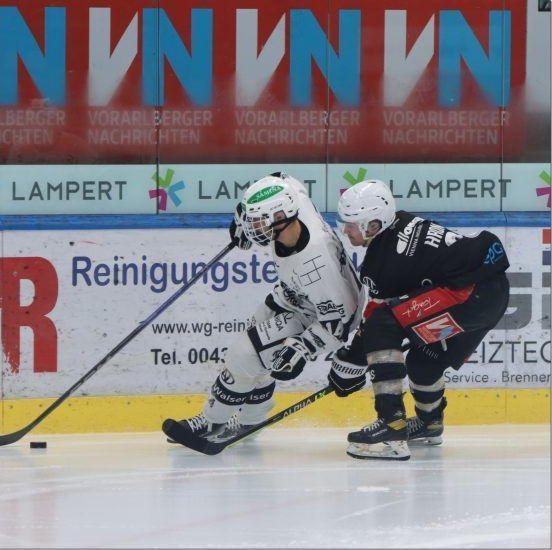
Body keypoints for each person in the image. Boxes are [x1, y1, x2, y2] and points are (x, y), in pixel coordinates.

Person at [164, 172, 364, 445]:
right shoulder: (295, 203)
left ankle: (213, 421)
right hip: (293, 297)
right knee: (257, 355)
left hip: (317, 317)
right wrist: (239, 217)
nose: (252, 227)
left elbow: (341, 321)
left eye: (257, 221)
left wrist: (303, 348)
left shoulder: (316, 262)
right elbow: (281, 177)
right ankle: (250, 421)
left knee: (244, 354)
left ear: (280, 218)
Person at [329, 180, 510, 461]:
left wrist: (351, 361)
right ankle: (430, 422)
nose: (345, 230)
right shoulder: (401, 220)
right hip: (491, 295)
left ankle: (392, 424)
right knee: (425, 359)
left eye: (352, 224)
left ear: (373, 225)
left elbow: (376, 322)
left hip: (467, 296)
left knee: (381, 325)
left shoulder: (382, 263)